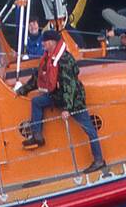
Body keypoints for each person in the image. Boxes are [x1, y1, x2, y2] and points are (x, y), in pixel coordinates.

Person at [13, 29, 105, 172]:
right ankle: (38, 135)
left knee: (90, 130)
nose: (42, 44)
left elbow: (70, 85)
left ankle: (99, 160)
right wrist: (22, 90)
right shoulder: (48, 57)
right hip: (57, 96)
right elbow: (38, 77)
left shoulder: (64, 60)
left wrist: (68, 108)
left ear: (51, 42)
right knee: (36, 102)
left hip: (74, 100)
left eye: (44, 41)